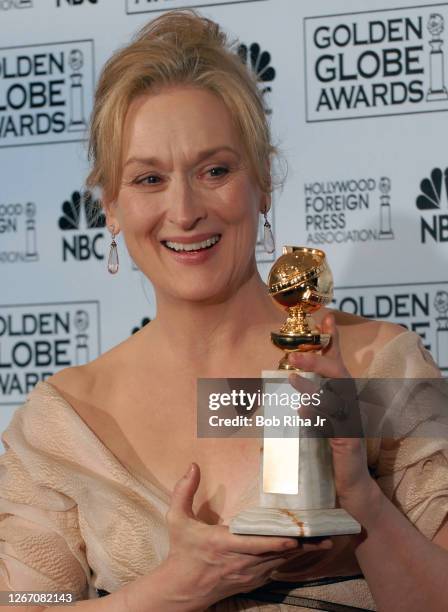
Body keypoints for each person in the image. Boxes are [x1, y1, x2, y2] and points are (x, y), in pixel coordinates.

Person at [0, 9, 447, 612]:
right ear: (109, 205)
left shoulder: (379, 367)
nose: (183, 211)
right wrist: (175, 589)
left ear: (262, 182)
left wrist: (362, 503)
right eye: (149, 179)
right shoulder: (64, 418)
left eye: (215, 170)